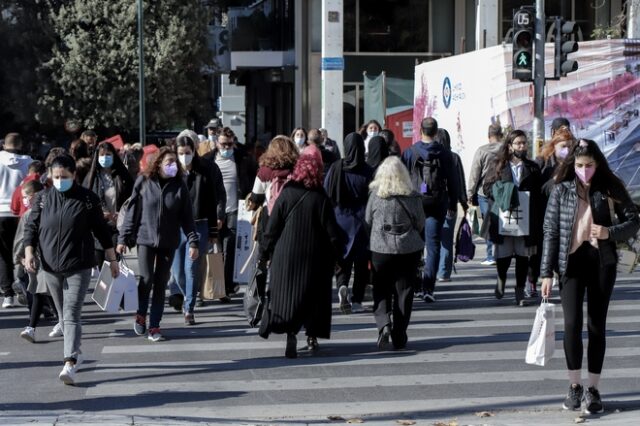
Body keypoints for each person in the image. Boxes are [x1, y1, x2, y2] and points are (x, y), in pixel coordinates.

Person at [540, 139, 640, 414]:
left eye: (590, 166)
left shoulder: (611, 188)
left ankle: (593, 388)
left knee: (596, 326)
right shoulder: (560, 191)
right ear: (573, 165)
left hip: (601, 262)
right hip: (570, 263)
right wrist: (545, 273)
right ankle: (574, 386)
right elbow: (550, 231)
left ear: (598, 164)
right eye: (580, 166)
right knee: (572, 324)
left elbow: (634, 220)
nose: (584, 170)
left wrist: (609, 232)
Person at [23, 154, 119, 385]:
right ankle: (77, 351)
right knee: (62, 314)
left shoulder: (87, 199)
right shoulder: (43, 198)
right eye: (55, 176)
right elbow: (31, 227)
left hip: (79, 265)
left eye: (64, 176)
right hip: (49, 266)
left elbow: (101, 231)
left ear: (73, 175)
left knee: (71, 313)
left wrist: (112, 258)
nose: (59, 180)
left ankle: (70, 362)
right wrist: (28, 253)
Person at [259, 145, 344, 358]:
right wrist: (338, 256)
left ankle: (290, 332)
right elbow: (333, 233)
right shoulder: (321, 197)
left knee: (288, 296)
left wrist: (264, 253)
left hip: (285, 256)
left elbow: (272, 228)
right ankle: (312, 336)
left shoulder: (286, 194)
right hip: (315, 257)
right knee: (313, 298)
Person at [117, 147, 199, 342]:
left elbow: (188, 218)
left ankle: (155, 326)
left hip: (169, 241)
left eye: (174, 162)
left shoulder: (180, 186)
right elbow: (132, 213)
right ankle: (140, 313)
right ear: (158, 163)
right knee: (146, 279)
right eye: (168, 162)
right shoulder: (144, 182)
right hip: (145, 239)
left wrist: (193, 241)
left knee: (161, 284)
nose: (172, 165)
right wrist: (122, 239)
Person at [365, 156, 425, 350]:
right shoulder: (414, 196)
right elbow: (420, 223)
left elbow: (367, 220)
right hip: (408, 249)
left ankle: (384, 324)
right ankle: (399, 334)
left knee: (380, 288)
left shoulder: (375, 195)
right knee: (404, 292)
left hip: (380, 249)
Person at [169, 130, 226, 323]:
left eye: (188, 152)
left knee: (192, 268)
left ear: (194, 151)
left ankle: (189, 308)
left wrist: (214, 226)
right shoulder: (171, 171)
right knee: (177, 272)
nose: (185, 156)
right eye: (181, 152)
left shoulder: (207, 169)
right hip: (175, 227)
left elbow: (216, 197)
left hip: (198, 225)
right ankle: (188, 296)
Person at [401, 118, 459, 303]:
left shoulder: (410, 152)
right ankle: (428, 288)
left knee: (414, 245)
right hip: (437, 202)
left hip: (414, 203)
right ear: (435, 132)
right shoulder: (445, 153)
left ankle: (416, 284)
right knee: (433, 246)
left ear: (420, 130)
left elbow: (402, 178)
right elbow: (453, 180)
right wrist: (453, 203)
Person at [482, 130, 542, 306]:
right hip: (504, 216)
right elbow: (486, 188)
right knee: (504, 255)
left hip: (526, 218)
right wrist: (504, 192)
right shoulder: (498, 165)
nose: (522, 146)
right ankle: (501, 278)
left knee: (523, 256)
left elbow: (538, 194)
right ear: (509, 146)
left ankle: (519, 291)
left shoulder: (532, 167)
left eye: (524, 143)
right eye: (518, 143)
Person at [203, 127, 257, 297]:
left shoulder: (244, 159)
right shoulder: (208, 160)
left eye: (230, 144)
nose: (227, 148)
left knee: (230, 247)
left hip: (235, 209)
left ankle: (226, 286)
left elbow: (254, 180)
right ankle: (218, 286)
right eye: (223, 144)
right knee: (216, 250)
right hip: (214, 210)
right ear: (216, 143)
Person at [325, 132, 374, 313]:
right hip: (362, 221)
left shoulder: (336, 167)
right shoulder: (368, 170)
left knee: (342, 258)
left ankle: (342, 285)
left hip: (340, 219)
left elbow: (327, 191)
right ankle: (357, 299)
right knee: (361, 263)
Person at [527, 127, 576, 298]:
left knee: (565, 251)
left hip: (568, 216)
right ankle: (533, 280)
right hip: (544, 215)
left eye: (570, 146)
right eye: (563, 146)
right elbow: (536, 190)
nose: (567, 150)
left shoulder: (577, 163)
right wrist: (554, 181)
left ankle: (565, 283)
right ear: (554, 146)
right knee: (541, 250)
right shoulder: (543, 163)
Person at [15, 180, 55, 342]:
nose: (24, 200)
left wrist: (19, 257)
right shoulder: (28, 214)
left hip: (50, 258)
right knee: (41, 291)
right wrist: (22, 256)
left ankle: (36, 326)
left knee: (46, 292)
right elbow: (24, 238)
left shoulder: (47, 211)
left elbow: (22, 239)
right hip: (36, 258)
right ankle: (32, 327)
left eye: (26, 197)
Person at [84, 142, 134, 266]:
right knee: (101, 265)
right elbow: (85, 200)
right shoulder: (92, 178)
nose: (105, 157)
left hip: (117, 226)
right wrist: (100, 212)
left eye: (108, 154)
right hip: (98, 227)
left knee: (112, 262)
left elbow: (132, 198)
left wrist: (121, 214)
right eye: (102, 155)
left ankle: (114, 283)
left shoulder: (122, 176)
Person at [1, 133, 32, 308]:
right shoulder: (28, 162)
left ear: (4, 145)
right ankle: (26, 287)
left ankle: (7, 295)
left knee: (3, 255)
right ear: (20, 144)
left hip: (0, 212)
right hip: (22, 213)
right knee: (23, 252)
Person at [467, 123, 504, 266]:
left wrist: (470, 192)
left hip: (484, 193)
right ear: (501, 135)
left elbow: (474, 174)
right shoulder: (506, 149)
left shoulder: (481, 151)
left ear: (489, 136)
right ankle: (503, 253)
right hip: (502, 192)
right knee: (502, 222)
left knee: (488, 223)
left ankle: (491, 255)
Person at [436, 128, 468, 282]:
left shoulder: (429, 156)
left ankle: (432, 269)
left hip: (430, 204)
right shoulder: (454, 157)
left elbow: (422, 182)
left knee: (432, 239)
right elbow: (459, 181)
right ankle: (444, 273)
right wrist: (463, 201)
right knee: (447, 240)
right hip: (450, 204)